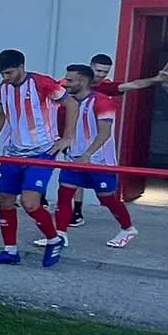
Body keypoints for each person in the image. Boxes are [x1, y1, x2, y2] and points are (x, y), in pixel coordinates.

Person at [0, 48, 75, 268]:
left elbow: (71, 103)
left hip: (42, 151)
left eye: (9, 73)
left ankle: (54, 239)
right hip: (13, 152)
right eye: (3, 74)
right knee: (5, 198)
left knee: (29, 203)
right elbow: (1, 114)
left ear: (22, 67)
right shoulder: (3, 88)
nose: (6, 78)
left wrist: (67, 138)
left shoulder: (42, 83)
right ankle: (10, 251)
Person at [66, 54, 168, 224]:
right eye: (98, 70)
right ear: (89, 68)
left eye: (105, 72)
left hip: (96, 141)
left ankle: (126, 225)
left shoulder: (106, 87)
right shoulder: (71, 84)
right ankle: (75, 214)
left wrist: (155, 79)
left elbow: (132, 85)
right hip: (74, 138)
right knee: (72, 178)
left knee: (104, 192)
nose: (100, 75)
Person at [54, 64, 135, 248]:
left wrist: (88, 154)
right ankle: (60, 235)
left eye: (70, 80)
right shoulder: (69, 102)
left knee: (106, 198)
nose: (65, 83)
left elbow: (104, 133)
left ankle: (128, 228)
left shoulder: (103, 101)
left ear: (82, 81)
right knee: (64, 194)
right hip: (74, 158)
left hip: (100, 161)